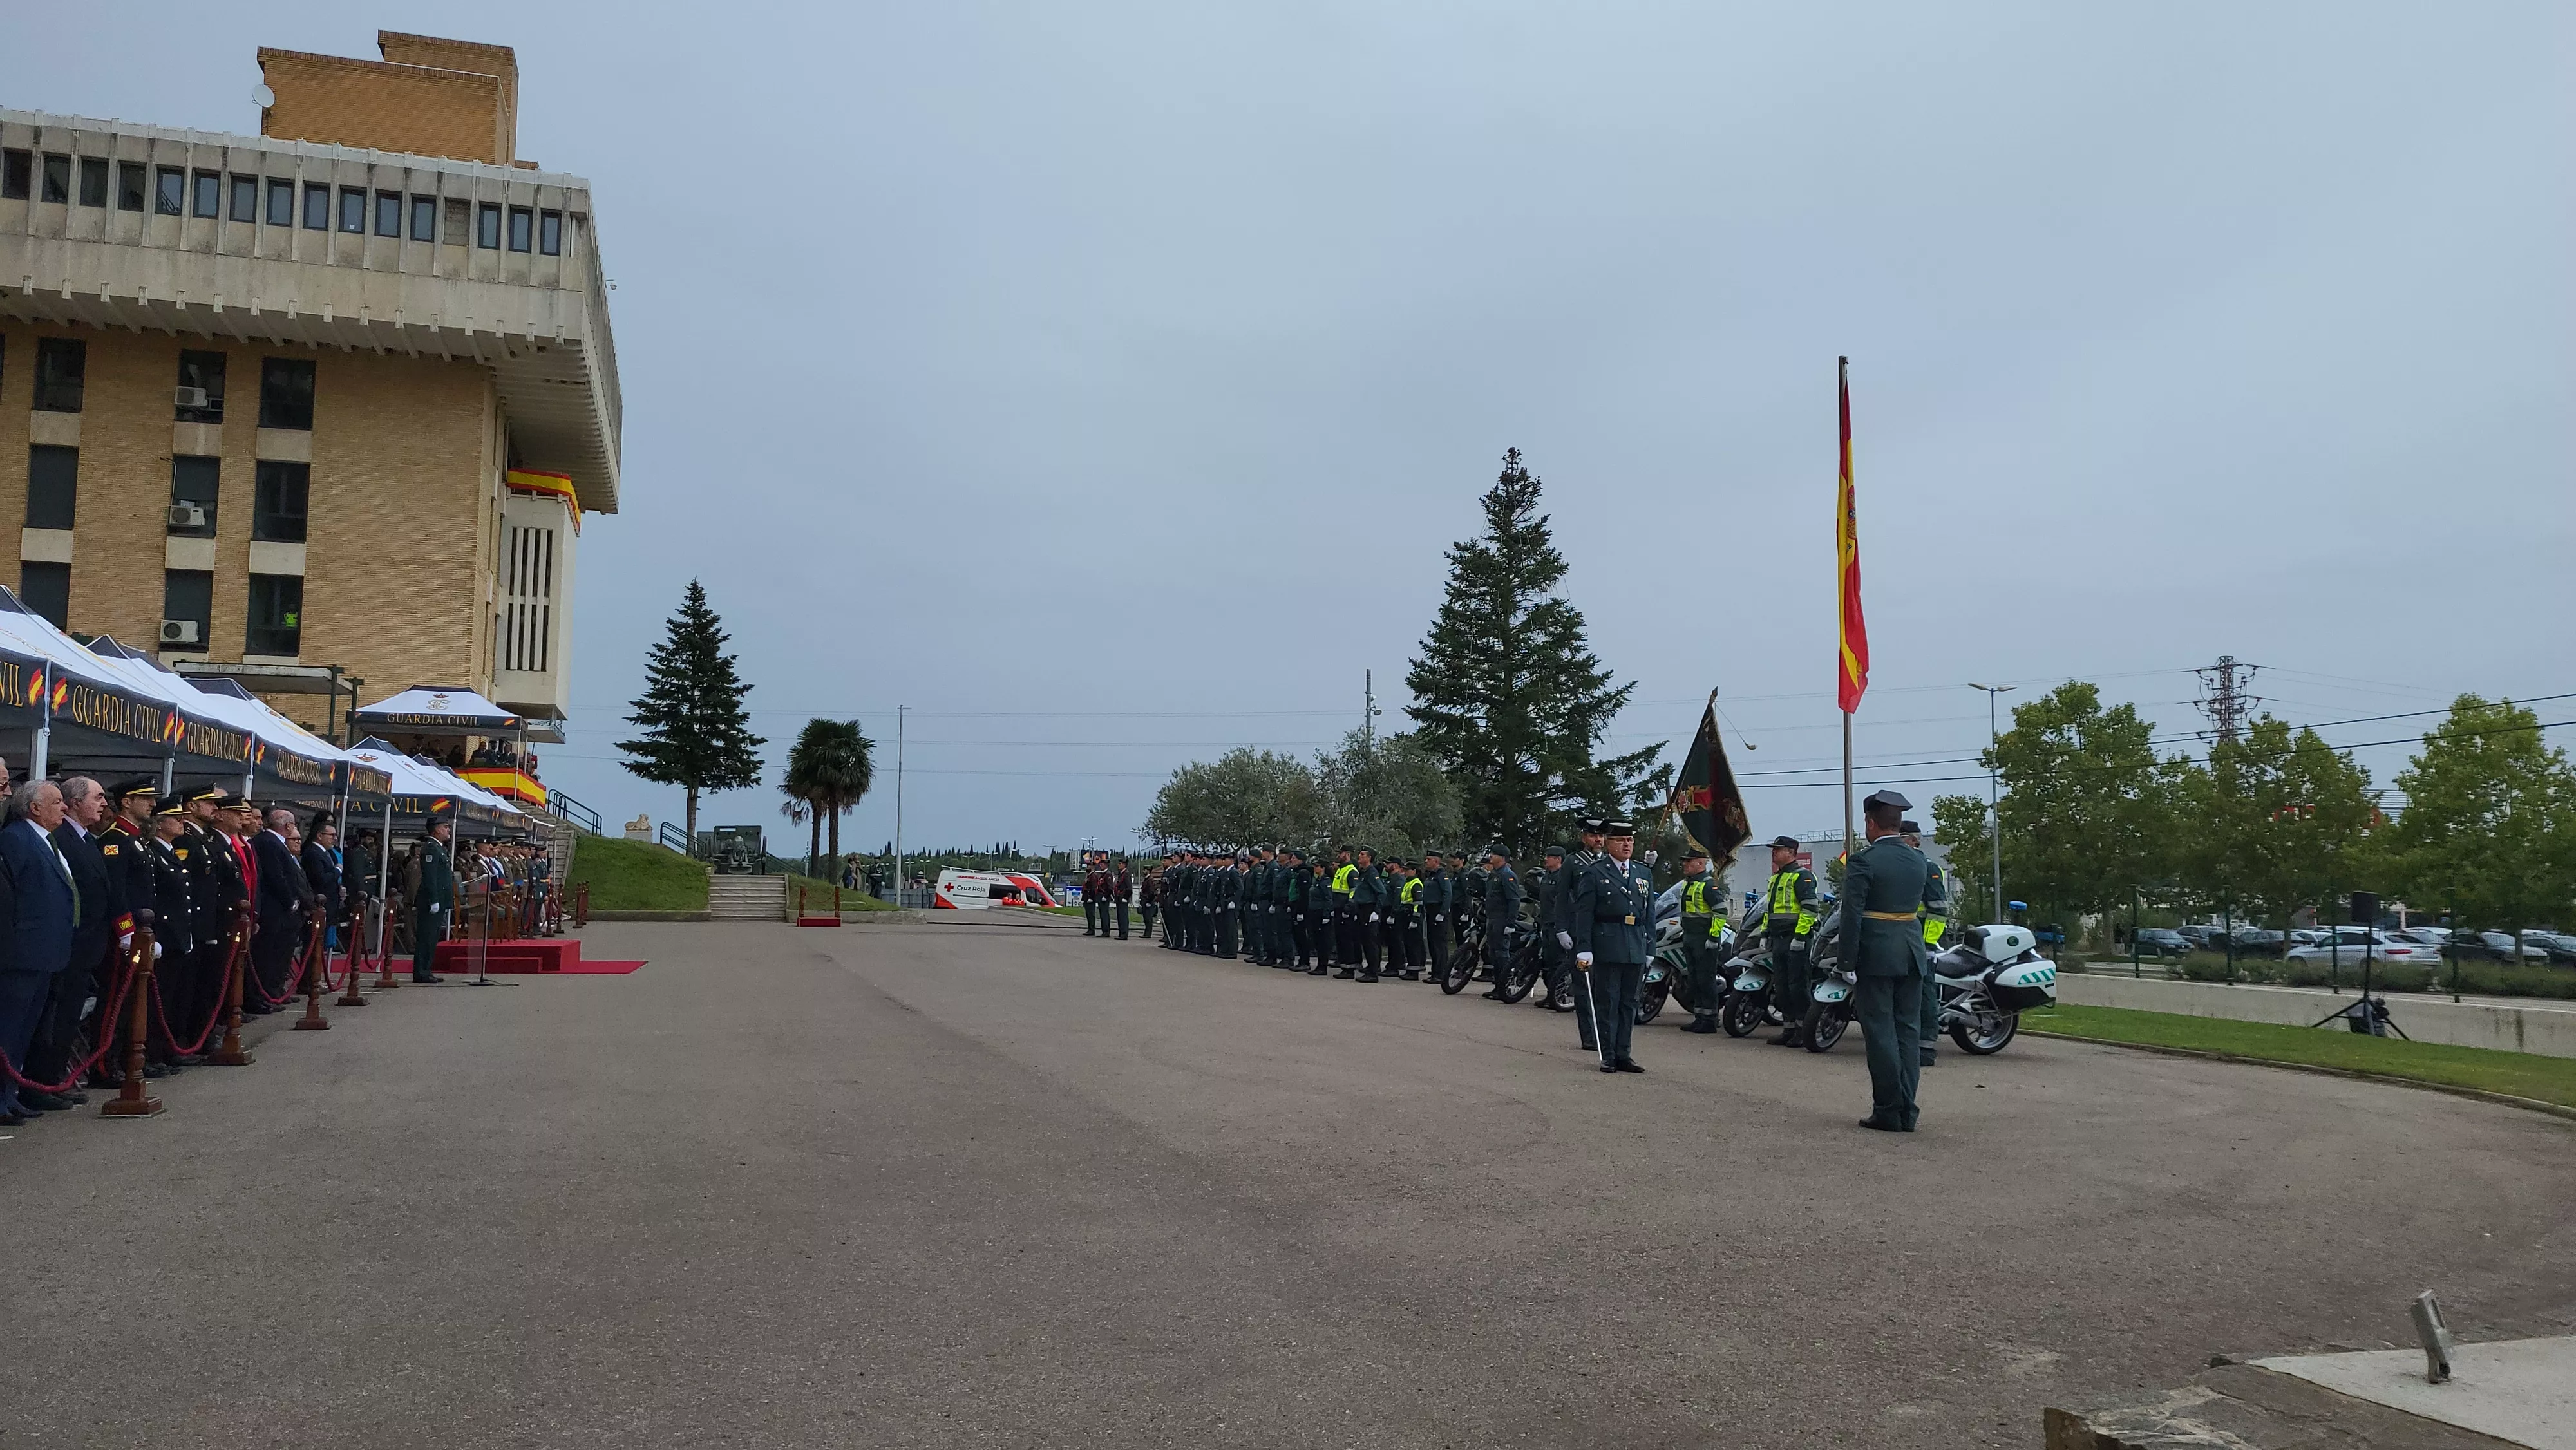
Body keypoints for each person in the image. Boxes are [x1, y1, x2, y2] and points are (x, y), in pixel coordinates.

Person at [18, 778, 123, 1111]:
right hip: (69, 945)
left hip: (85, 947)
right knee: (54, 1019)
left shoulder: (86, 839)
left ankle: (55, 1080)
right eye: (98, 797)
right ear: (77, 803)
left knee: (66, 1018)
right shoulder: (61, 838)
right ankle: (43, 1082)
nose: (104, 804)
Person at [1844, 791, 1937, 1131]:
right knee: (1908, 1032)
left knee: (1880, 1032)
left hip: (1876, 954)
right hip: (1911, 951)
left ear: (1870, 823)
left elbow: (1851, 915)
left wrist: (1846, 962)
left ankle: (1887, 1110)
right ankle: (1907, 1111)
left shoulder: (1863, 861)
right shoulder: (1918, 860)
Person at [0, 782, 79, 1124]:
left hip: (46, 952)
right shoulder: (16, 839)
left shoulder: (45, 840)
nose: (64, 808)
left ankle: (11, 1094)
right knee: (9, 1029)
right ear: (34, 808)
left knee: (24, 1032)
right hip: (22, 954)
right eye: (57, 802)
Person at [1569, 819, 1656, 1073]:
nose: (1627, 845)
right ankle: (1608, 1055)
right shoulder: (1595, 872)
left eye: (1630, 840)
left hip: (1635, 943)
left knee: (1629, 1003)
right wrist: (1584, 947)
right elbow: (1584, 914)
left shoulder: (1643, 872)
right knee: (1608, 1001)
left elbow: (1649, 913)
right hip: (1607, 942)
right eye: (1620, 840)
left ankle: (1624, 1054)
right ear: (1608, 843)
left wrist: (1650, 948)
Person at [252, 807, 316, 1003]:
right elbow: (277, 877)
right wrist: (292, 902)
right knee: (270, 956)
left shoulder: (275, 843)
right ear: (288, 826)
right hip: (275, 910)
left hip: (282, 911)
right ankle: (268, 993)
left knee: (281, 955)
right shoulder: (270, 843)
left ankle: (277, 990)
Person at [1899, 820, 1950, 1066]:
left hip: (1921, 942)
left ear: (1913, 840)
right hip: (1900, 940)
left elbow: (1938, 910)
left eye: (1901, 838)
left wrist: (1929, 945)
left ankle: (1926, 1047)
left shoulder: (1928, 868)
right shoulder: (1900, 867)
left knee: (1924, 993)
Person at [1761, 835, 1821, 1046]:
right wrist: (1765, 933)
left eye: (1778, 850)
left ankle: (1804, 1031)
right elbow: (1770, 910)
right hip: (1778, 939)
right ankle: (1789, 1028)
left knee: (1798, 986)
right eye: (1773, 850)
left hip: (1795, 939)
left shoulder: (1802, 876)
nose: (1774, 853)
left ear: (1791, 853)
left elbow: (1810, 909)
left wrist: (1800, 937)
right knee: (1782, 986)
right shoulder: (1776, 878)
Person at [1673, 847, 1727, 1034]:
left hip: (1704, 939)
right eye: (1685, 861)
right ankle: (1699, 1018)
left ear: (1701, 863)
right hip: (1690, 937)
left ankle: (1710, 1020)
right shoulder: (1689, 884)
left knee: (1706, 980)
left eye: (1689, 861)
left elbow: (1721, 912)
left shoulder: (1707, 885)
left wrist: (1713, 937)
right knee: (1694, 980)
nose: (1685, 864)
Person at [410, 814, 457, 983]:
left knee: (432, 937)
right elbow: (430, 877)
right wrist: (434, 900)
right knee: (427, 937)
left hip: (440, 898)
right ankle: (421, 972)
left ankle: (426, 970)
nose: (448, 830)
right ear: (437, 830)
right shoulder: (431, 848)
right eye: (445, 827)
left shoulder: (439, 848)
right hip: (431, 900)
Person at [1479, 847, 1520, 999]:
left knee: (1502, 954)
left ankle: (1505, 986)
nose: (1491, 856)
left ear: (1502, 858)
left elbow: (1514, 901)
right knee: (1493, 953)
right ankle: (1498, 986)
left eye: (1494, 854)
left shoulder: (1507, 875)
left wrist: (1511, 923)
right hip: (1492, 917)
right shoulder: (1494, 874)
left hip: (1502, 919)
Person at [304, 813, 346, 952]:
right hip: (319, 904)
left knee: (320, 944)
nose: (335, 839)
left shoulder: (326, 852)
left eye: (335, 835)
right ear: (320, 835)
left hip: (329, 904)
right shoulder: (313, 852)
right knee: (313, 945)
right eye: (331, 835)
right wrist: (337, 871)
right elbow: (320, 879)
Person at [1110, 857, 1132, 941]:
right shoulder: (1121, 874)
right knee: (1120, 917)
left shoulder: (1126, 874)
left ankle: (1124, 934)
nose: (1118, 865)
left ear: (1124, 865)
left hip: (1123, 898)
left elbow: (1129, 888)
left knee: (1123, 917)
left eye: (1120, 864)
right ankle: (1121, 933)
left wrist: (1126, 898)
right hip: (1119, 898)